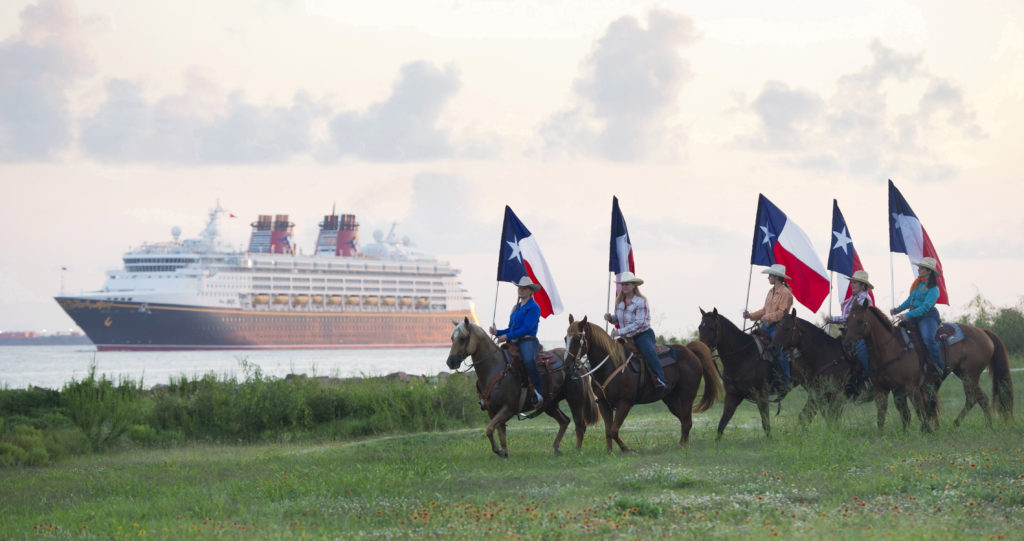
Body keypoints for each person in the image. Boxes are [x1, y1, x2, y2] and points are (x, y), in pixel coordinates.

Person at [603, 272, 667, 389]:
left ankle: (660, 378)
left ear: (634, 286)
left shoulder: (641, 302)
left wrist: (620, 332)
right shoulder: (620, 303)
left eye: (627, 284)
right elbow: (619, 319)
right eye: (623, 284)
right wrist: (610, 318)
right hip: (626, 337)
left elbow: (639, 323)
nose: (625, 286)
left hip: (642, 334)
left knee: (648, 351)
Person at [490, 276, 544, 406]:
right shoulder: (516, 307)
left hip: (528, 341)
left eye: (524, 288)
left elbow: (526, 328)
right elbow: (511, 328)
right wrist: (498, 333)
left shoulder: (534, 307)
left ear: (530, 291)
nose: (521, 290)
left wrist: (507, 337)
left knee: (528, 360)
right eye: (520, 288)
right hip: (514, 340)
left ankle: (538, 392)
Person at [743, 264, 795, 390]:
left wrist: (767, 317)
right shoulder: (770, 292)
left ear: (776, 277)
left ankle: (787, 379)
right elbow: (764, 310)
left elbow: (782, 313)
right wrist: (750, 316)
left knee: (779, 349)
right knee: (751, 342)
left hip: (779, 328)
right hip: (766, 326)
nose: (768, 278)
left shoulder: (786, 293)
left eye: (770, 275)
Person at [891, 257, 944, 375]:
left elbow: (925, 307)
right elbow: (910, 300)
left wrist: (907, 315)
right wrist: (898, 309)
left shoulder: (934, 289)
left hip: (928, 316)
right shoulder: (918, 284)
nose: (919, 269)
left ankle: (938, 367)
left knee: (928, 339)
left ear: (929, 271)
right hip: (914, 315)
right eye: (919, 267)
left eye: (921, 268)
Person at [828, 270, 874, 391]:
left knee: (860, 350)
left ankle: (872, 378)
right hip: (850, 333)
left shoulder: (864, 300)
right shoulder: (852, 298)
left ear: (863, 285)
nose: (852, 285)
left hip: (860, 334)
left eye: (855, 283)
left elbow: (851, 319)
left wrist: (833, 319)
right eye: (852, 282)